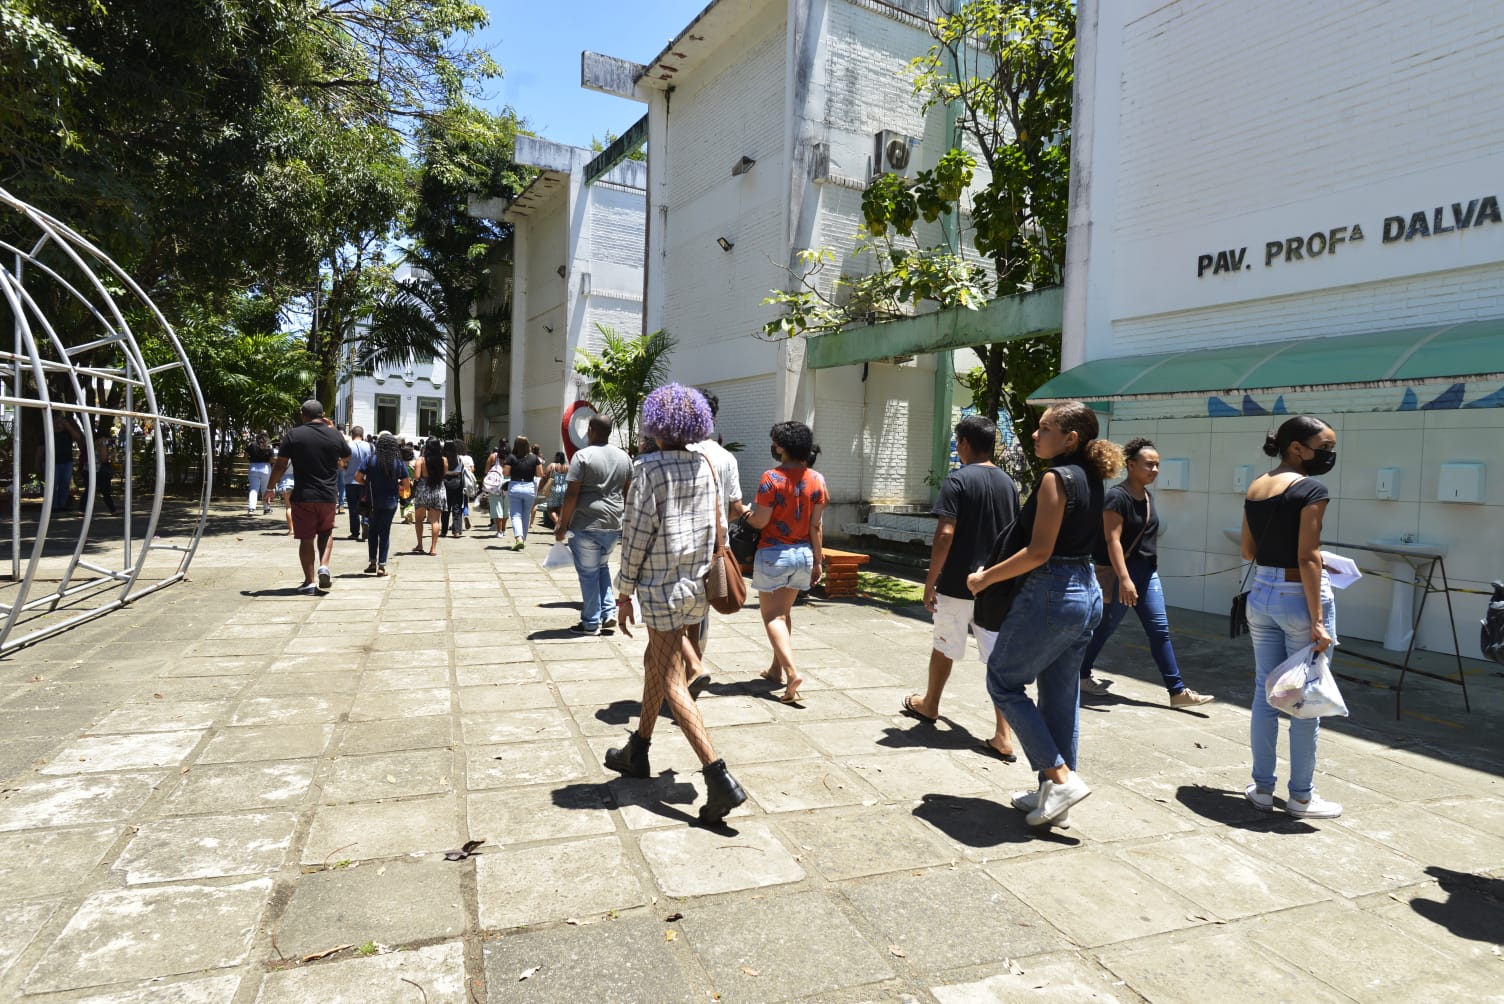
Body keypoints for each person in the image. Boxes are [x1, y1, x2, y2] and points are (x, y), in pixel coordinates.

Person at [966, 401, 1122, 828]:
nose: (1035, 435)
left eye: (1045, 428)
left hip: (1054, 591)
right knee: (1060, 695)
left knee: (1003, 680)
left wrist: (985, 579)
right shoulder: (1092, 478)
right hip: (1087, 591)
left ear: (1070, 438)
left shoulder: (1057, 479)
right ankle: (1054, 799)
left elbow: (1038, 552)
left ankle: (1060, 777)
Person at [604, 384, 747, 825]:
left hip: (661, 588)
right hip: (697, 588)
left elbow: (637, 537)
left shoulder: (648, 468)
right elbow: (717, 528)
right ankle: (638, 750)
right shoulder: (706, 463)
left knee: (670, 680)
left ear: (656, 425)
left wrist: (623, 591)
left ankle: (718, 775)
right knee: (656, 662)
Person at [1239, 415, 1341, 819]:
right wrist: (1318, 619)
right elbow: (1308, 555)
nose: (1330, 455)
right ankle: (1301, 796)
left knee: (1269, 694)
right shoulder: (1312, 488)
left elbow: (1248, 551)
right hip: (1299, 597)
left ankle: (1262, 788)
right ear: (1296, 447)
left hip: (1261, 594)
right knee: (1306, 698)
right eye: (1325, 448)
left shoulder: (1257, 486)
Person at [901, 415, 1019, 762]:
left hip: (956, 583)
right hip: (994, 583)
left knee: (944, 646)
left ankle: (931, 705)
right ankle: (1004, 734)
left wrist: (930, 580)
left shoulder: (958, 480)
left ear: (965, 443)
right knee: (997, 660)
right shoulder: (1009, 484)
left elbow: (945, 535)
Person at [1079, 438, 1215, 708]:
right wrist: (1125, 579)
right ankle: (1079, 674)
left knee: (1160, 631)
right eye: (1148, 464)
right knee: (1104, 628)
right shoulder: (1117, 497)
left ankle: (1177, 692)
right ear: (1130, 465)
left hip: (1147, 573)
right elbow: (1112, 540)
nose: (1154, 470)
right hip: (1122, 576)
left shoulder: (1148, 497)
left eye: (1157, 465)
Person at [746, 420, 827, 705]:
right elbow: (816, 526)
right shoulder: (817, 479)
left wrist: (745, 514)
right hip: (803, 555)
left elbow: (761, 520)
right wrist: (818, 561)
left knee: (772, 617)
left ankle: (792, 673)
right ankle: (776, 669)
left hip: (773, 554)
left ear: (781, 446)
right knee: (785, 613)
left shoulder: (771, 478)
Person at [685, 388, 746, 691]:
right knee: (700, 612)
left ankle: (689, 669)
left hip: (681, 544)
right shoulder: (725, 457)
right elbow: (735, 509)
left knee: (671, 613)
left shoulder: (678, 450)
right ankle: (693, 664)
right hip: (715, 546)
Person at [265, 400, 350, 594]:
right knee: (327, 532)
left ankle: (309, 581)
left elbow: (280, 465)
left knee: (306, 538)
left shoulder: (294, 435)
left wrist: (270, 488)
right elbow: (346, 456)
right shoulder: (334, 434)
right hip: (328, 494)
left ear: (302, 414)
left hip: (303, 495)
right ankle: (324, 566)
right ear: (322, 414)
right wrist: (333, 430)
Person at [556, 417, 632, 635]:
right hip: (612, 525)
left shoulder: (582, 456)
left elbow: (571, 494)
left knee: (588, 574)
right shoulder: (624, 457)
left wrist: (562, 525)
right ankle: (608, 613)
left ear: (590, 430)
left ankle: (590, 623)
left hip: (586, 524)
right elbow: (629, 493)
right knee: (601, 567)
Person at [355, 431, 409, 576]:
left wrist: (367, 483)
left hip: (372, 500)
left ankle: (372, 562)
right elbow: (406, 483)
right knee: (385, 532)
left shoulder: (370, 459)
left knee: (373, 530)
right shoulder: (398, 462)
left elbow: (358, 476)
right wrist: (397, 484)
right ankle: (382, 566)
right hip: (390, 501)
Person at [502, 436, 542, 550]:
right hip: (529, 487)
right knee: (526, 515)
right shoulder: (534, 458)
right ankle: (522, 539)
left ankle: (519, 538)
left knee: (515, 515)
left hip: (515, 486)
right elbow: (540, 474)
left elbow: (505, 473)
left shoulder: (511, 457)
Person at [411, 436, 448, 555]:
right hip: (438, 489)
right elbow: (444, 475)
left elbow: (416, 477)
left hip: (423, 490)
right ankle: (433, 548)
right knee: (435, 521)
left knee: (419, 520)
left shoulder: (421, 460)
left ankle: (420, 544)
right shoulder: (444, 460)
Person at [47, 412, 84, 516]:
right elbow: (41, 448)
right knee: (53, 485)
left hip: (66, 462)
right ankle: (53, 506)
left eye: (61, 422)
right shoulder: (49, 432)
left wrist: (68, 427)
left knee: (65, 484)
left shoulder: (67, 432)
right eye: (57, 422)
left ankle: (62, 505)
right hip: (52, 463)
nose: (59, 424)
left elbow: (78, 438)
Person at [344, 427, 372, 540]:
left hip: (350, 480)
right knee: (365, 504)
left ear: (352, 434)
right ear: (362, 434)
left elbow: (343, 462)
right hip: (364, 481)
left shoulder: (348, 446)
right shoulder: (368, 446)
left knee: (353, 508)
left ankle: (355, 532)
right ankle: (365, 521)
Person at [440, 439, 466, 539]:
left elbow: (441, 472)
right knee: (457, 508)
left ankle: (444, 531)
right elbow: (461, 471)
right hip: (457, 485)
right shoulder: (458, 458)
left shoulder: (442, 458)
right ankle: (456, 531)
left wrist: (446, 474)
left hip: (445, 484)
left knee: (445, 508)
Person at [538, 451, 570, 530]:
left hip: (554, 489)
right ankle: (560, 526)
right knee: (560, 509)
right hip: (564, 489)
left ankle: (557, 523)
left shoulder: (552, 465)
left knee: (550, 509)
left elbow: (545, 477)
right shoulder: (567, 467)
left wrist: (540, 487)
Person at [484, 438, 509, 537]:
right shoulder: (512, 459)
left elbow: (486, 471)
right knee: (506, 508)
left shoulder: (493, 456)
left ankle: (499, 531)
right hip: (508, 484)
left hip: (495, 485)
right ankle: (504, 529)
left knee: (497, 507)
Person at [246, 432, 274, 516]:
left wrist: (250, 460)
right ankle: (266, 509)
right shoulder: (269, 446)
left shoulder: (252, 445)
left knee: (253, 489)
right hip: (265, 468)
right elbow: (272, 459)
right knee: (265, 489)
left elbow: (245, 456)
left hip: (253, 467)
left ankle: (251, 508)